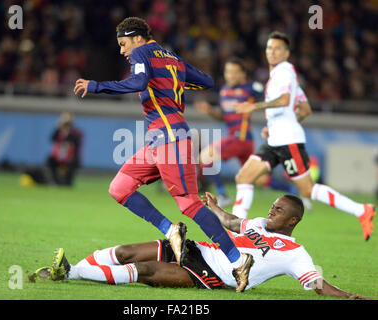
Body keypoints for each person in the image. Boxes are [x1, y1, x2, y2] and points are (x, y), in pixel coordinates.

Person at [73, 17, 252, 291]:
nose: (122, 51)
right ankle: (171, 230)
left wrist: (97, 85)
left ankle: (238, 260)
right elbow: (206, 81)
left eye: (123, 44)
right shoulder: (172, 58)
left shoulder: (142, 52)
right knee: (119, 187)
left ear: (136, 38)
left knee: (189, 204)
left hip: (171, 136)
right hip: (159, 139)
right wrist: (174, 82)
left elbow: (138, 82)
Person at [31, 193, 371, 300]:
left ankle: (70, 271)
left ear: (293, 220)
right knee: (125, 252)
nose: (271, 210)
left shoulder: (296, 253)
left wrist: (349, 296)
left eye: (278, 209)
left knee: (146, 272)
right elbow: (232, 223)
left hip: (212, 275)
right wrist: (214, 207)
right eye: (273, 205)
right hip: (199, 250)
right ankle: (71, 271)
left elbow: (316, 284)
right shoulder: (259, 224)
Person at [233, 31, 375, 241]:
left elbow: (283, 100)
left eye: (277, 48)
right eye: (269, 48)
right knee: (244, 177)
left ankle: (361, 210)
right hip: (276, 140)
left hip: (288, 142)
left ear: (287, 53)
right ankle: (234, 231)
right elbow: (306, 109)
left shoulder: (284, 71)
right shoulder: (284, 76)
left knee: (308, 190)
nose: (272, 52)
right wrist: (276, 125)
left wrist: (252, 106)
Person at [194, 57, 298, 208]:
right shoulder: (224, 91)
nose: (231, 75)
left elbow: (272, 94)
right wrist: (210, 111)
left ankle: (222, 195)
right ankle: (292, 189)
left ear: (243, 74)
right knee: (258, 179)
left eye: (235, 72)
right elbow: (223, 116)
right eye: (228, 72)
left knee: (205, 156)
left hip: (240, 138)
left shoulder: (251, 88)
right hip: (243, 141)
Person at [47, 112, 82, 186]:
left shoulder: (75, 133)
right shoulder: (59, 132)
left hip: (70, 157)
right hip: (59, 157)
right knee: (50, 159)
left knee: (73, 161)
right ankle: (55, 181)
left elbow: (77, 142)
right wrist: (59, 126)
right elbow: (52, 138)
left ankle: (67, 182)